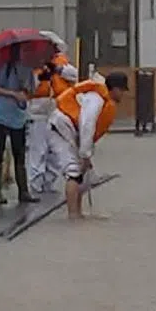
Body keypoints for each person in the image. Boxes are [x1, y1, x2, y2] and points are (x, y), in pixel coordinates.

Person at [48, 72, 129, 220]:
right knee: (73, 171)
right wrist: (85, 154)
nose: (123, 94)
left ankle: (78, 212)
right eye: (122, 90)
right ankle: (73, 216)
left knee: (84, 174)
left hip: (72, 131)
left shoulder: (102, 98)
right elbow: (87, 124)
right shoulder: (96, 98)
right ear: (115, 89)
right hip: (60, 130)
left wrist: (86, 154)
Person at [25, 38, 78, 198]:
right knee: (38, 149)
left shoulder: (60, 63)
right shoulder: (32, 64)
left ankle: (48, 182)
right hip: (37, 109)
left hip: (57, 109)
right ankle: (35, 184)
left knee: (55, 151)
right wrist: (41, 77)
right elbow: (28, 85)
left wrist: (57, 70)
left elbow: (74, 75)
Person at [0, 44, 37, 207]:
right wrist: (13, 93)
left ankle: (23, 190)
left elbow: (31, 90)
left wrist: (24, 92)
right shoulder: (0, 67)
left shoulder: (27, 68)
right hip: (0, 114)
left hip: (18, 115)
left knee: (19, 153)